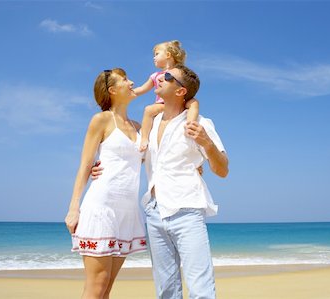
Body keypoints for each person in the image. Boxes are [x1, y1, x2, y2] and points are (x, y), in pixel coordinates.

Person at [93, 64, 229, 299]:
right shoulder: (149, 124)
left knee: (201, 289)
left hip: (187, 210)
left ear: (180, 91)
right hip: (154, 213)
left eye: (168, 77)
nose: (161, 78)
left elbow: (222, 169)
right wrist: (99, 168)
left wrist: (207, 143)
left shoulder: (200, 124)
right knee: (166, 290)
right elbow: (127, 156)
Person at [65, 68, 147, 299]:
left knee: (107, 287)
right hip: (102, 206)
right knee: (97, 285)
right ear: (112, 90)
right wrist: (74, 207)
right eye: (125, 80)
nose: (131, 82)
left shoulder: (139, 127)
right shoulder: (101, 120)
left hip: (127, 212)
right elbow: (85, 165)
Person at [134, 40, 200, 152]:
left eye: (157, 54)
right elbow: (142, 89)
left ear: (168, 55)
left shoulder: (178, 72)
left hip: (179, 102)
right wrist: (128, 92)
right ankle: (144, 138)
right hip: (162, 105)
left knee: (194, 103)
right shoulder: (155, 76)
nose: (154, 58)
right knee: (149, 110)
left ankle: (190, 126)